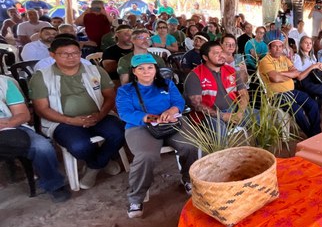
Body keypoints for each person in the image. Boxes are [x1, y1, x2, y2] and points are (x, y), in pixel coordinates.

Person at [30, 37, 125, 190]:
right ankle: (103, 161)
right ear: (52, 55)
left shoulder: (95, 70)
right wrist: (71, 120)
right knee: (79, 146)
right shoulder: (42, 77)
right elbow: (42, 109)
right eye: (64, 54)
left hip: (98, 116)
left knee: (122, 132)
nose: (71, 57)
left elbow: (110, 96)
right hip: (62, 121)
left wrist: (100, 115)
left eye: (75, 53)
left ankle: (94, 166)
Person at [116, 54, 198, 217]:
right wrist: (150, 118)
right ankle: (136, 197)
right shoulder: (125, 90)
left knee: (191, 144)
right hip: (140, 126)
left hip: (170, 122)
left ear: (155, 69)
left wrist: (172, 111)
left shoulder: (167, 84)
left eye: (150, 67)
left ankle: (188, 179)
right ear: (134, 71)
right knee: (146, 156)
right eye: (141, 68)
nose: (146, 71)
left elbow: (179, 102)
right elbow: (125, 112)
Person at [0, 75, 70, 202]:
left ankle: (54, 184)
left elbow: (23, 115)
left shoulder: (4, 83)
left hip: (11, 127)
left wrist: (6, 124)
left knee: (42, 147)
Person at [258, 38, 321, 137]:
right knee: (297, 110)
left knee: (313, 104)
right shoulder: (265, 61)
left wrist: (280, 74)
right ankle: (312, 135)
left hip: (291, 91)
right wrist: (288, 75)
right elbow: (275, 78)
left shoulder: (285, 59)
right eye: (275, 46)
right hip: (276, 95)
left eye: (280, 46)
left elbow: (296, 73)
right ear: (269, 48)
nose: (278, 49)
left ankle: (316, 132)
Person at [184, 41, 249, 131]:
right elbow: (197, 105)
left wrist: (240, 112)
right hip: (210, 115)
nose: (221, 55)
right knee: (220, 132)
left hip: (236, 110)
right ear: (205, 57)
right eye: (216, 53)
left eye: (221, 52)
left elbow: (244, 94)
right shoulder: (195, 75)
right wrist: (222, 116)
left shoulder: (231, 70)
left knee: (264, 117)